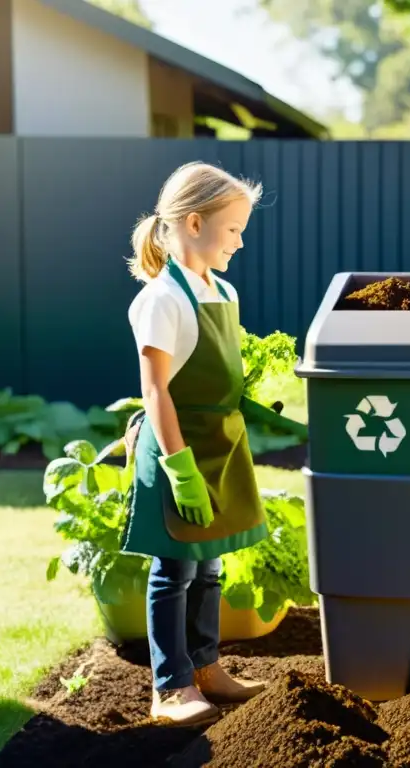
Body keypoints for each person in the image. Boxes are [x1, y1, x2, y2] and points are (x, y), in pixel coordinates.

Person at [120, 161, 269, 727]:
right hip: (179, 450)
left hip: (219, 447)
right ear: (194, 222)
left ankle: (207, 668)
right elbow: (156, 390)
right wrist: (180, 469)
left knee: (209, 567)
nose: (239, 241)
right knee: (174, 570)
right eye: (232, 229)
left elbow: (220, 376)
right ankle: (171, 686)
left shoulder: (222, 289)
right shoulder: (161, 299)